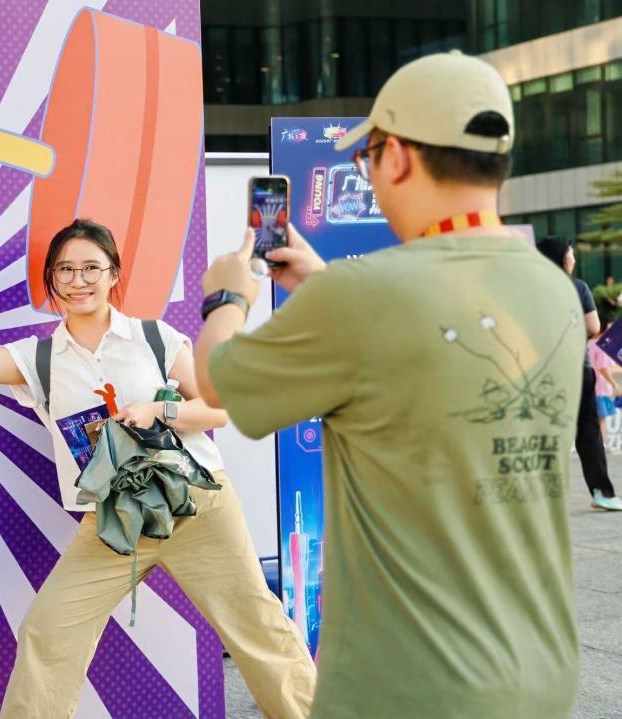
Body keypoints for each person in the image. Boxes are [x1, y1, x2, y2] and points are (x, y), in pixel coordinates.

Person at [194, 51, 585, 718]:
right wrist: (325, 288)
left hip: (407, 684)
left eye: (367, 158)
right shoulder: (552, 289)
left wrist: (226, 297)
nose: (369, 176)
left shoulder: (364, 296)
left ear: (397, 156)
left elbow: (215, 381)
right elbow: (428, 350)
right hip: (540, 671)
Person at [0, 219, 316, 718]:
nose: (78, 280)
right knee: (48, 631)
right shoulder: (39, 359)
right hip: (113, 523)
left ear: (114, 274)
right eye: (65, 269)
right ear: (51, 279)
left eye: (92, 267)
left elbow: (220, 409)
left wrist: (159, 411)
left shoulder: (153, 338)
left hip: (196, 507)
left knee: (259, 630)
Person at [537, 235, 622, 510]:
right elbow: (593, 327)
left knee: (543, 428)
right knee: (587, 429)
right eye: (571, 253)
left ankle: (539, 497)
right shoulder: (577, 287)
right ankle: (602, 493)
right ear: (563, 258)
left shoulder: (530, 288)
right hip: (575, 366)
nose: (574, 258)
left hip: (538, 369)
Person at [588, 326, 619, 453]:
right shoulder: (603, 346)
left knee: (592, 420)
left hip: (590, 386)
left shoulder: (589, 344)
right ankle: (603, 445)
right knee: (601, 420)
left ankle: (599, 445)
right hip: (601, 388)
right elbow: (603, 368)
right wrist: (614, 384)